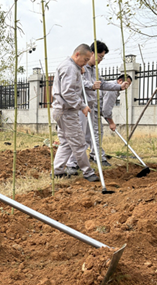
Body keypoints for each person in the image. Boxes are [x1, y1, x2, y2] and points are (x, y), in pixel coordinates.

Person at [65, 41, 131, 170]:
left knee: (92, 135)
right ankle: (72, 164)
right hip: (80, 107)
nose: (100, 60)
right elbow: (78, 82)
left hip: (91, 106)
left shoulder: (94, 69)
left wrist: (119, 87)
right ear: (92, 53)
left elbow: (102, 84)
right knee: (80, 136)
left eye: (102, 58)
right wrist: (91, 85)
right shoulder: (80, 67)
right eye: (100, 57)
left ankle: (93, 157)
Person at [52, 45, 100, 182]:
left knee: (66, 142)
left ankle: (58, 171)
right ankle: (88, 172)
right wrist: (82, 106)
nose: (85, 63)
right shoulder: (70, 68)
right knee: (79, 143)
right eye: (85, 59)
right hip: (67, 112)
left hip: (60, 110)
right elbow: (68, 92)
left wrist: (80, 70)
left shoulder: (71, 66)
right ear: (77, 54)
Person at [99, 74, 133, 157]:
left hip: (95, 110)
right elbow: (106, 110)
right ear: (119, 81)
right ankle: (98, 156)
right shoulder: (112, 89)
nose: (127, 86)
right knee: (97, 133)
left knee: (97, 133)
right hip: (91, 110)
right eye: (127, 83)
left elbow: (103, 109)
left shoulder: (112, 86)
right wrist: (111, 123)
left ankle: (97, 154)